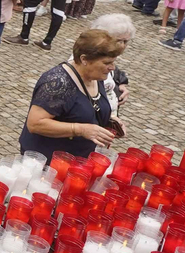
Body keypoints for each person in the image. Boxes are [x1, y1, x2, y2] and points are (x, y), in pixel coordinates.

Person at [20, 29, 125, 159]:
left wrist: (109, 121)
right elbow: (35, 124)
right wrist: (80, 129)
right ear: (84, 59)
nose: (113, 67)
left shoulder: (95, 76)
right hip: (47, 162)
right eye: (107, 63)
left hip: (78, 160)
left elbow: (87, 109)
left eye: (113, 62)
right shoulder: (58, 83)